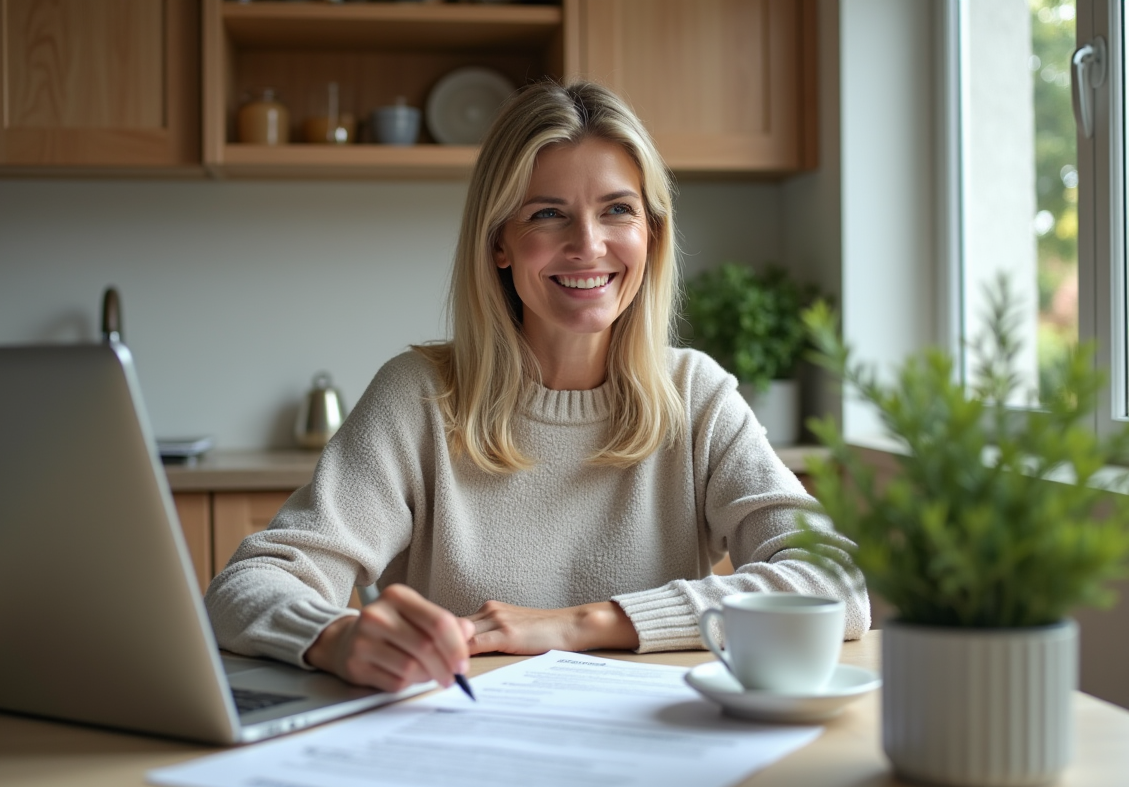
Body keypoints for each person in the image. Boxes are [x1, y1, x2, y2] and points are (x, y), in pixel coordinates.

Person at [205, 80, 869, 694]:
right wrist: (335, 636)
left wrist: (582, 623)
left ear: (650, 235)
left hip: (655, 747)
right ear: (500, 242)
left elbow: (834, 583)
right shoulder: (417, 398)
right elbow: (246, 587)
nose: (589, 244)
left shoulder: (696, 395)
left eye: (617, 210)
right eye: (549, 214)